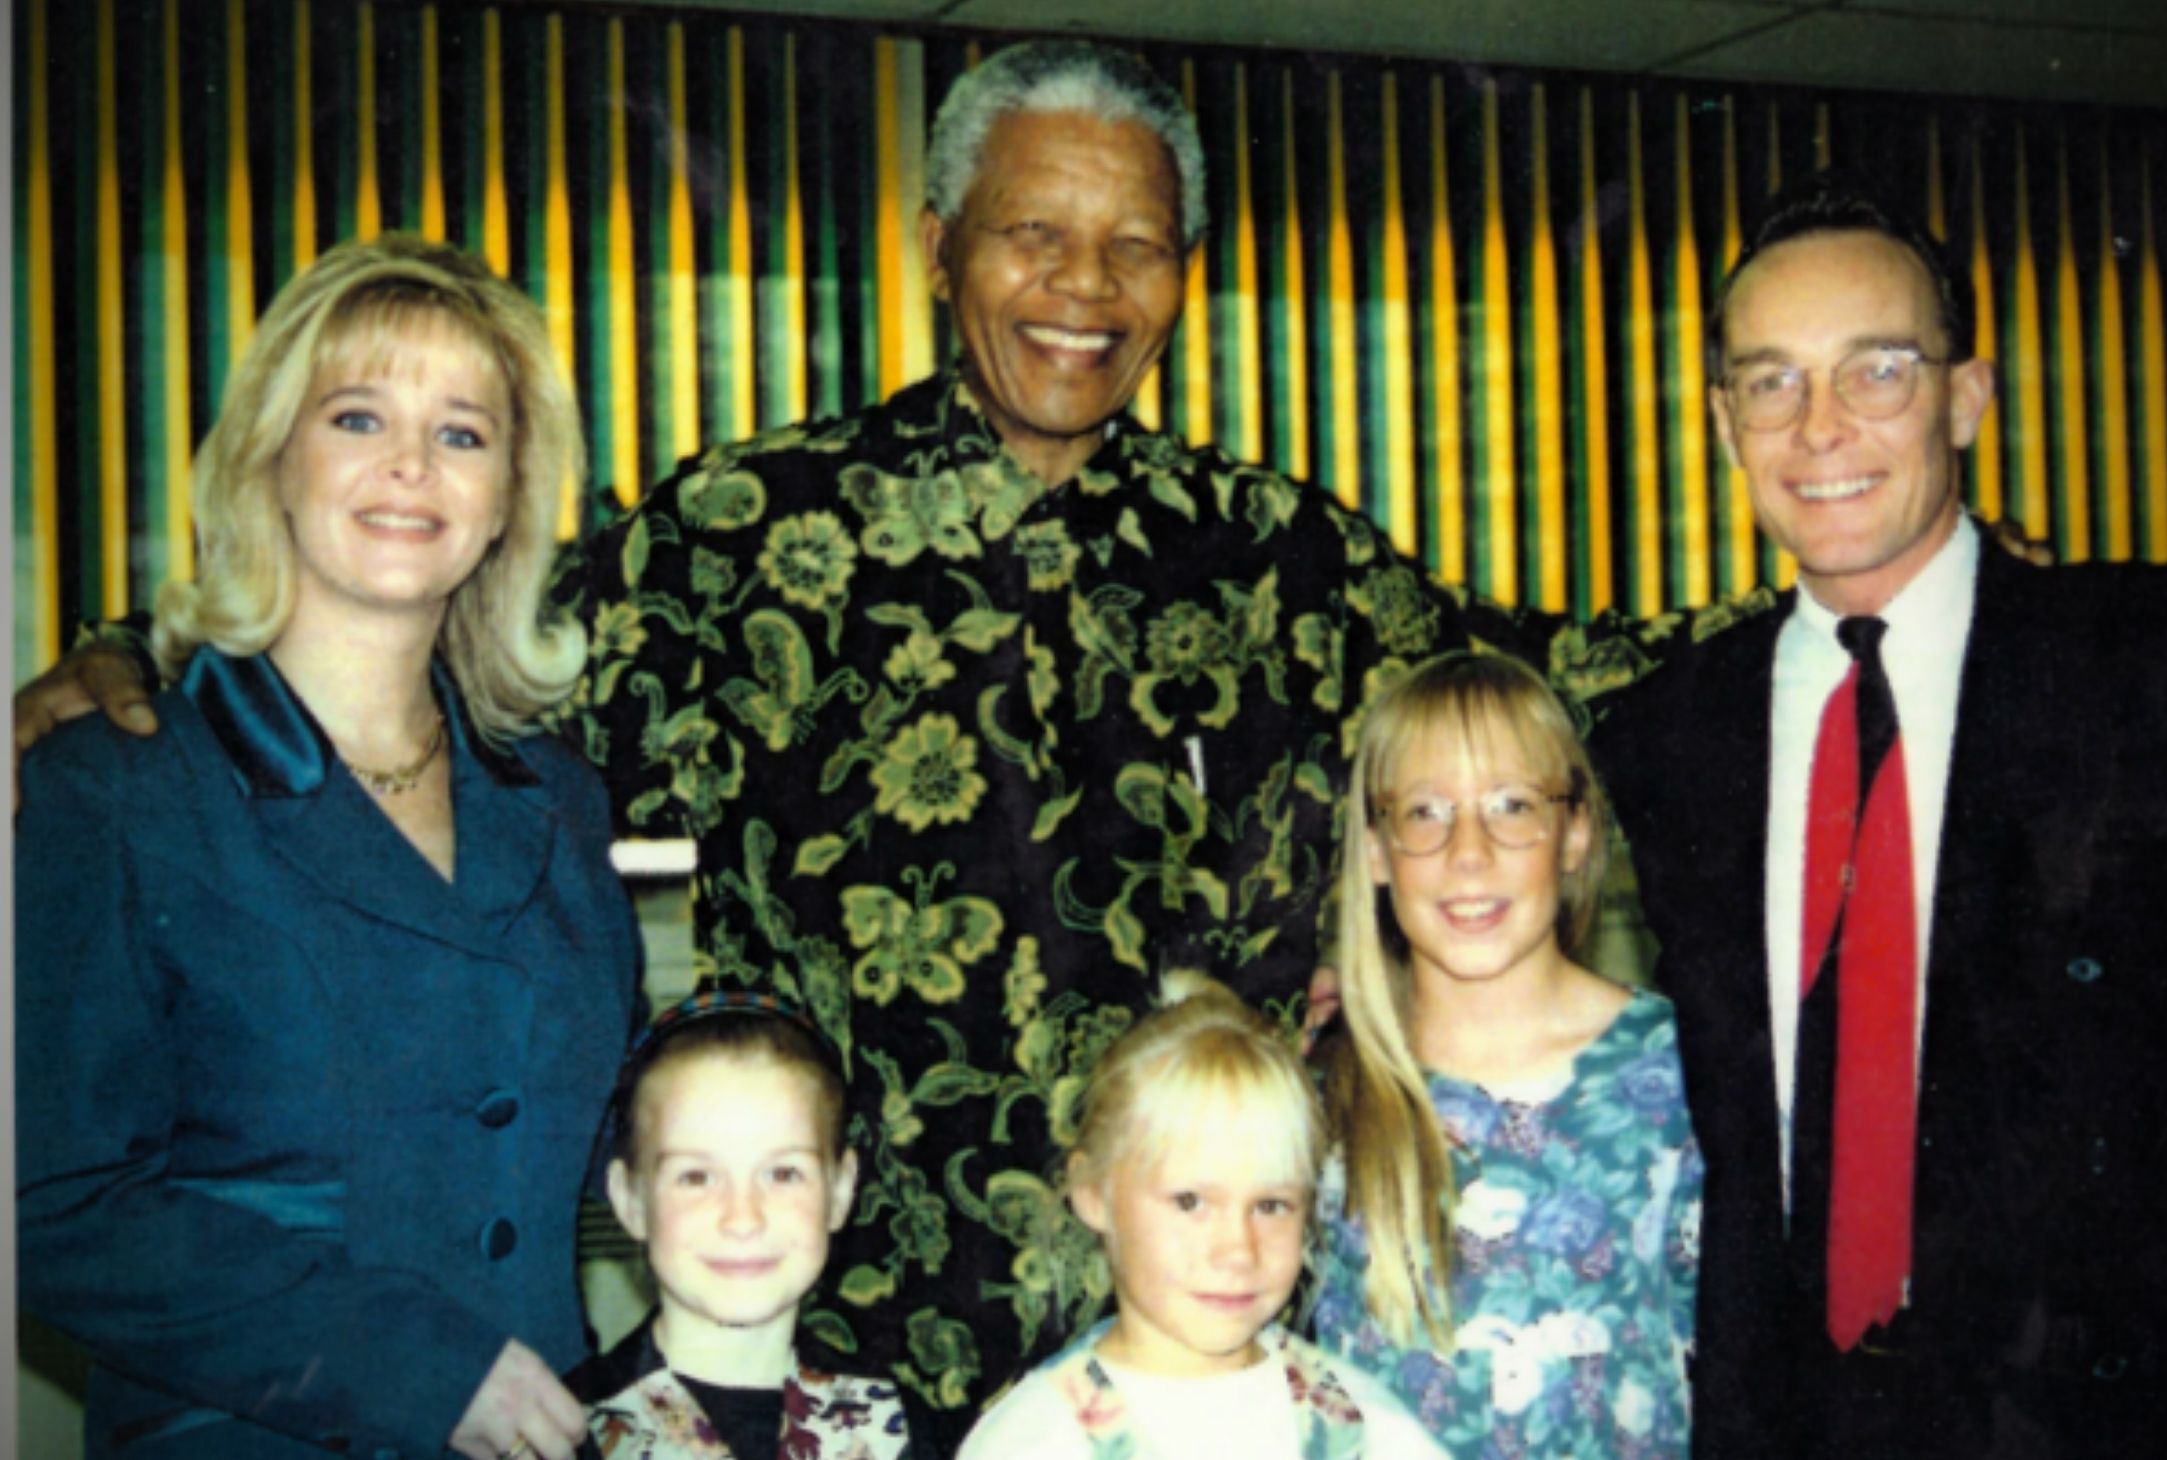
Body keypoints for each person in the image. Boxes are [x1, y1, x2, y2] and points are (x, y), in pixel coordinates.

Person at [11, 40, 1680, 1439]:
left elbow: (1554, 675)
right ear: (940, 243)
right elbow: (437, 603)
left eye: (1137, 245)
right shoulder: (748, 533)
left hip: (1192, 1360)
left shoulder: (1283, 559)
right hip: (835, 1370)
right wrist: (129, 650)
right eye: (1034, 232)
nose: (1084, 289)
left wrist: (1861, 599)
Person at [1594, 173, 2167, 1457]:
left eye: (1875, 370)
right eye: (1770, 381)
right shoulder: (1655, 740)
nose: (1818, 427)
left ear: (1965, 395)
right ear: (1724, 421)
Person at [14, 234, 641, 1460]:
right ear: (270, 459)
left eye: (463, 432)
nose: (412, 464)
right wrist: (416, 1367)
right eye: (358, 417)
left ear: (509, 494)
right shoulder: (111, 786)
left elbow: (609, 1126)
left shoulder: (561, 802)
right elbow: (51, 1203)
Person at [1310, 650, 1700, 1457]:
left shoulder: (1684, 1074)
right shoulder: (1320, 1095)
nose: (1469, 852)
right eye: (1425, 812)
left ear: (1575, 831)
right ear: (1376, 849)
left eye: (1512, 805)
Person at [958, 976, 1444, 1460]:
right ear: (1093, 1195)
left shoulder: (1367, 1425)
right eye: (1190, 1201)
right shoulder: (1034, 1440)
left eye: (1270, 1205)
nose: (1238, 1251)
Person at [568, 988, 926, 1458]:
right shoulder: (564, 1436)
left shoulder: (895, 1426)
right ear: (631, 1201)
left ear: (840, 1191)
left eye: (782, 1173)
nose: (743, 1218)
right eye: (696, 1177)